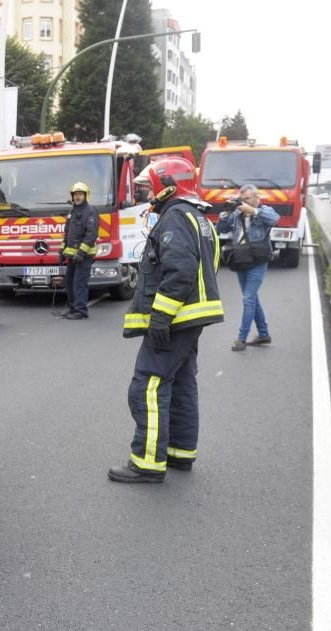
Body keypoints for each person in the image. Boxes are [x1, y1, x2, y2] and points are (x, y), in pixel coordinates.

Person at [108, 157, 224, 484]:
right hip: (191, 318)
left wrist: (160, 316)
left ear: (167, 184)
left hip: (174, 320)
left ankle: (147, 462)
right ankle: (179, 451)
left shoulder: (174, 217)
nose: (148, 193)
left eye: (151, 186)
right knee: (182, 382)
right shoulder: (198, 217)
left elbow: (181, 271)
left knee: (147, 385)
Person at [216, 184, 280, 351]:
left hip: (258, 261)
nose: (242, 203)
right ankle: (264, 334)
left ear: (256, 198)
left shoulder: (264, 211)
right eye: (240, 199)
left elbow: (275, 219)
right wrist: (227, 212)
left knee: (248, 298)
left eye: (246, 199)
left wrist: (252, 210)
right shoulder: (237, 214)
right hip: (241, 260)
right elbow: (220, 229)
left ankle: (241, 338)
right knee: (252, 298)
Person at [58, 182, 98, 320]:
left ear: (86, 196)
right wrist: (61, 251)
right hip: (73, 256)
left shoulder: (90, 212)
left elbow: (90, 235)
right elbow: (67, 233)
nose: (77, 197)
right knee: (69, 282)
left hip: (84, 256)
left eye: (80, 194)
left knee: (79, 283)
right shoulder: (73, 211)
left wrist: (81, 253)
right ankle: (72, 308)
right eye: (75, 194)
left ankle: (81, 311)